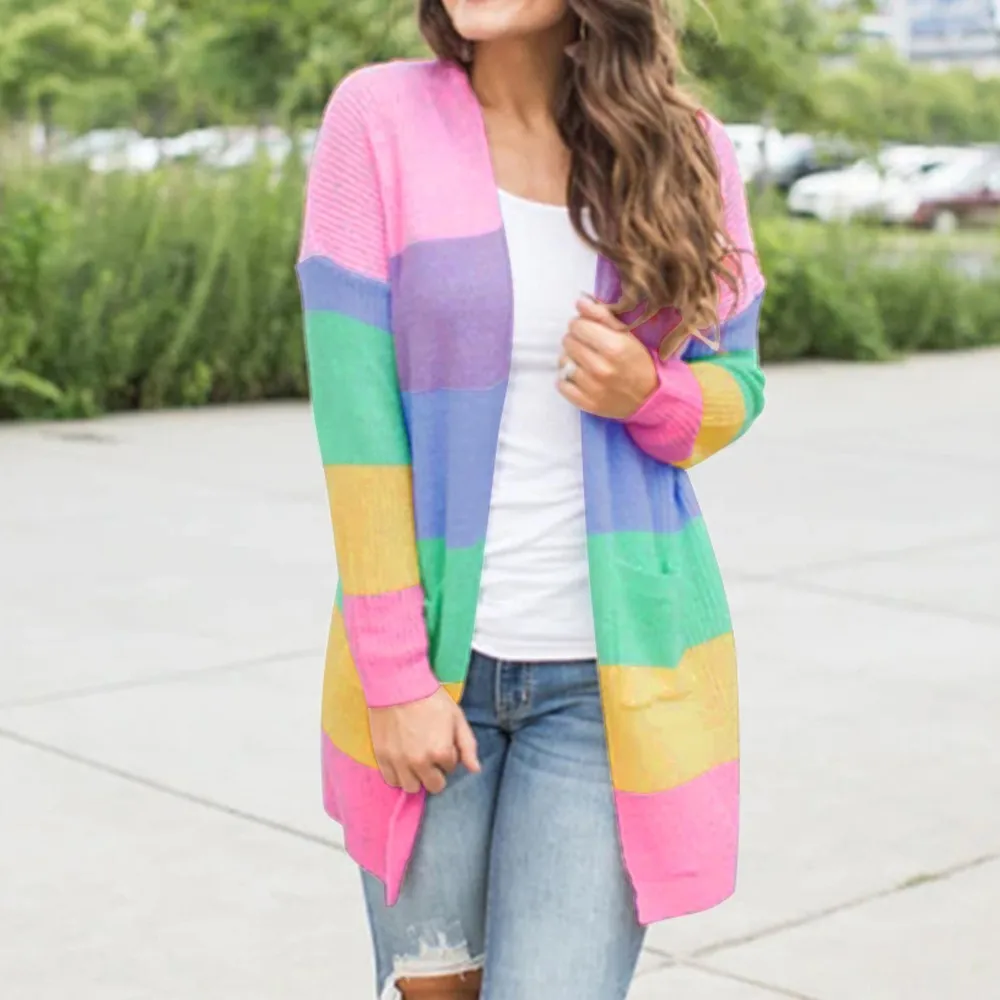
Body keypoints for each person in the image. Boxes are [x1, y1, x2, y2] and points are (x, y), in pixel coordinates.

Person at [296, 1, 765, 997]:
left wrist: (652, 393)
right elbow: (357, 431)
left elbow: (739, 384)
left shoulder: (685, 147)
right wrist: (396, 679)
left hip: (611, 683)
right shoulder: (376, 119)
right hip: (432, 672)